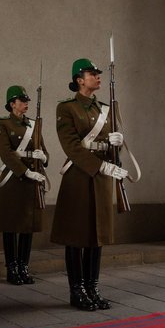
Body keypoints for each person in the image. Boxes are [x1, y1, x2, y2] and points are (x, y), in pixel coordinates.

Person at [49, 58, 128, 311]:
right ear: (79, 80)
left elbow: (108, 146)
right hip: (80, 177)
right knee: (77, 237)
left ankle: (93, 288)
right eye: (91, 73)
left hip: (102, 179)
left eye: (98, 73)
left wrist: (117, 143)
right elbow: (71, 146)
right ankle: (77, 290)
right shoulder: (67, 109)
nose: (97, 76)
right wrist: (100, 166)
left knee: (97, 236)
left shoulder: (105, 109)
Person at [0, 85, 49, 285]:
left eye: (27, 101)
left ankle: (24, 267)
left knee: (28, 226)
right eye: (22, 101)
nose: (26, 104)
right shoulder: (3, 124)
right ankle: (12, 268)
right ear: (12, 104)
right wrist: (26, 171)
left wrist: (43, 157)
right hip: (14, 178)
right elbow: (6, 153)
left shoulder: (34, 125)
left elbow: (44, 150)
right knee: (11, 226)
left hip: (33, 180)